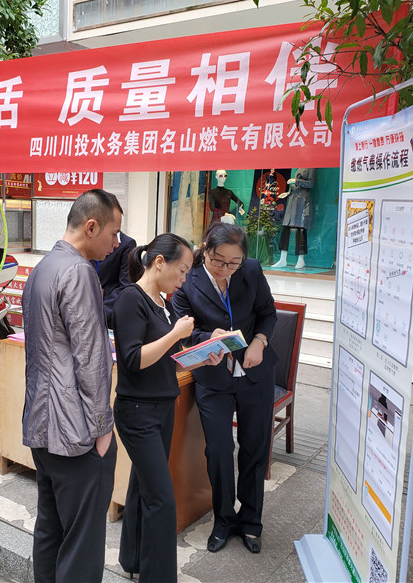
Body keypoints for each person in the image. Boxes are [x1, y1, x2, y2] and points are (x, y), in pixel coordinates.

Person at [21, 189, 123, 583]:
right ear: (91, 226)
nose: (116, 243)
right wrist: (102, 427)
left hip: (42, 423)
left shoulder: (43, 267)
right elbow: (92, 357)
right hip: (75, 431)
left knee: (50, 528)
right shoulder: (79, 272)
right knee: (82, 542)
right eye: (113, 233)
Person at [111, 234, 223, 582]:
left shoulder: (162, 302)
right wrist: (175, 334)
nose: (184, 279)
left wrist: (203, 356)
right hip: (137, 412)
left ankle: (133, 559)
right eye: (183, 270)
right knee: (161, 499)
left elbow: (168, 360)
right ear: (159, 262)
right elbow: (133, 360)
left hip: (160, 407)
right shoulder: (131, 299)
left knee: (142, 487)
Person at [172, 222, 278, 555]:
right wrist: (208, 338)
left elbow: (268, 313)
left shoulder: (251, 271)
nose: (225, 269)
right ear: (206, 249)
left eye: (233, 263)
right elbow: (183, 330)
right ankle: (223, 520)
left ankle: (251, 522)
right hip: (214, 376)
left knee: (254, 448)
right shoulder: (186, 280)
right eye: (218, 261)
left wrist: (259, 342)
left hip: (254, 372)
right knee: (217, 450)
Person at [91, 231, 137, 328]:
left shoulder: (127, 244)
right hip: (86, 307)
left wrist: (100, 314)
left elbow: (125, 285)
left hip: (108, 312)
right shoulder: (92, 238)